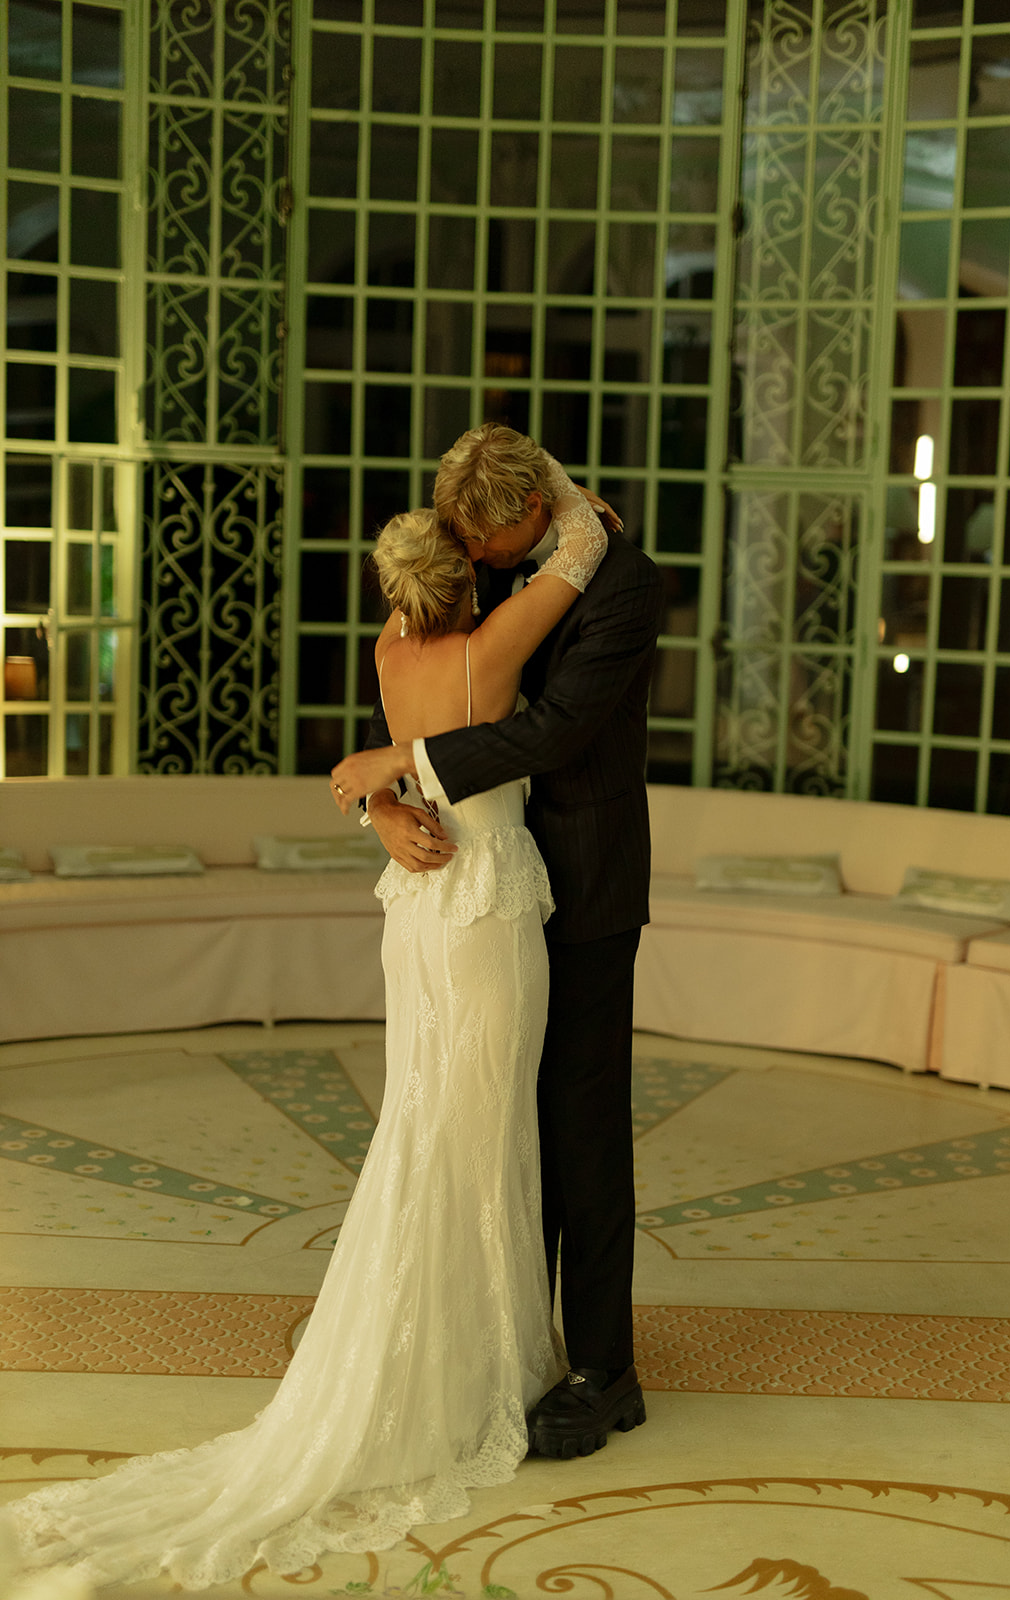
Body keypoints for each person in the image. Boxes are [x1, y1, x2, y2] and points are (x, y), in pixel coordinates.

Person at [5, 504, 606, 1590]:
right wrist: (563, 500)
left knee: (425, 1116)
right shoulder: (490, 645)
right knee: (482, 1127)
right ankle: (483, 1367)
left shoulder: (389, 651)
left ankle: (436, 1344)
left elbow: (381, 760)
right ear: (463, 581)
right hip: (485, 909)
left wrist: (376, 797)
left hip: (413, 911)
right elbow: (581, 555)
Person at [336, 424, 664, 1459]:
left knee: (579, 1126)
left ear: (533, 511)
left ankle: (602, 1370)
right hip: (484, 890)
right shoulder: (490, 559)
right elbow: (406, 686)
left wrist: (405, 764)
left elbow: (553, 730)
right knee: (491, 1125)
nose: (476, 561)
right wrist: (380, 804)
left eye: (489, 541)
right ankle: (509, 1341)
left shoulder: (622, 582)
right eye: (466, 546)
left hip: (586, 885)